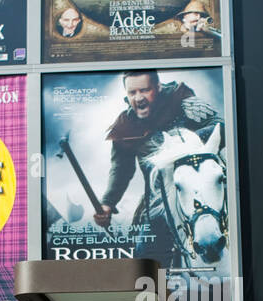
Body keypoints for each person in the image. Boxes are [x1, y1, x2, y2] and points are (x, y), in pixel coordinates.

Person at [92, 70, 222, 259]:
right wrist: (107, 204)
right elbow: (121, 170)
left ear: (158, 88)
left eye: (144, 90)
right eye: (132, 93)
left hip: (202, 195)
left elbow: (221, 127)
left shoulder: (182, 101)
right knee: (143, 260)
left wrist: (187, 144)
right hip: (157, 202)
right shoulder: (126, 125)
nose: (138, 98)